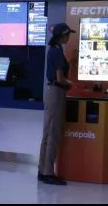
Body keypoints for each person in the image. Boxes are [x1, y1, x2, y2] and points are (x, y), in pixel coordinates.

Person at [37, 22, 75, 186]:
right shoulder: (57, 52)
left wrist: (70, 62)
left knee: (48, 132)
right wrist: (70, 84)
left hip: (51, 92)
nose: (69, 37)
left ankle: (42, 170)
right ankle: (48, 172)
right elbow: (60, 78)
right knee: (54, 132)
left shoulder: (53, 50)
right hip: (56, 93)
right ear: (63, 36)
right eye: (68, 34)